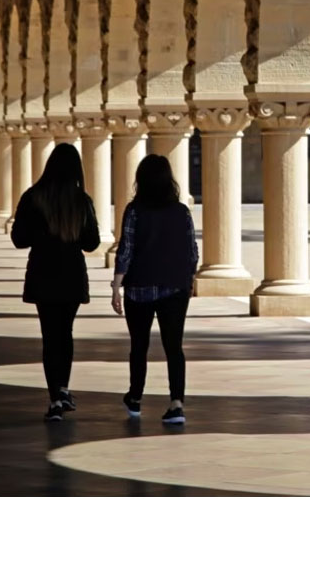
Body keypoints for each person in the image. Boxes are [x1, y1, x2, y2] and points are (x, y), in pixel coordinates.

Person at [11, 143, 100, 422]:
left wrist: (42, 233)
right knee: (65, 332)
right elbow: (92, 243)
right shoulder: (81, 201)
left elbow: (19, 239)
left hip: (43, 272)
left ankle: (55, 398)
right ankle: (63, 388)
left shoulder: (33, 197)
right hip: (71, 274)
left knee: (50, 336)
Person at [112, 154, 199, 425]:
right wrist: (187, 279)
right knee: (174, 347)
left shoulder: (135, 210)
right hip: (174, 288)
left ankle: (136, 398)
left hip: (139, 288)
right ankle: (176, 403)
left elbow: (126, 249)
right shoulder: (181, 211)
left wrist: (116, 286)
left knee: (139, 346)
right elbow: (192, 252)